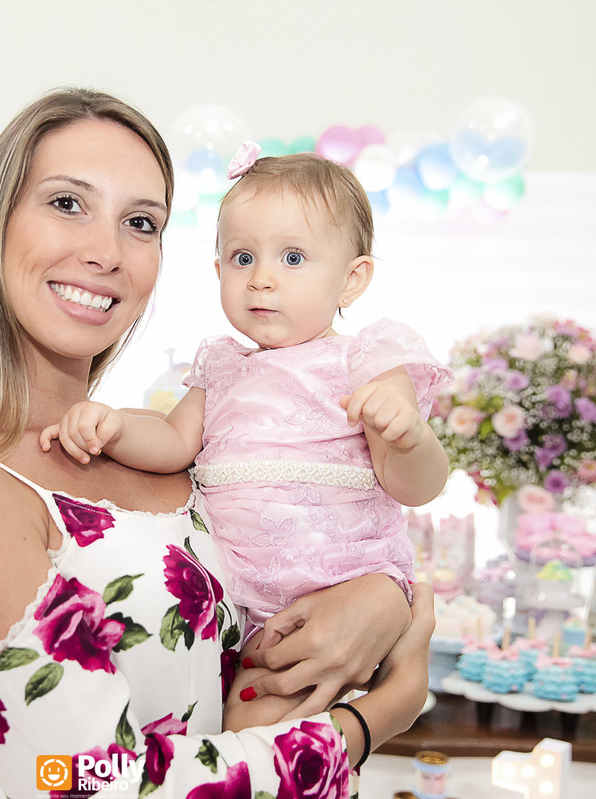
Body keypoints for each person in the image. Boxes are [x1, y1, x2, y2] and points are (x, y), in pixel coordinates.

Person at [0, 89, 432, 798]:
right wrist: (380, 714)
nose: (105, 252)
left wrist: (383, 596)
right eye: (67, 203)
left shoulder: (179, 444)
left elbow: (323, 527)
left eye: (140, 222)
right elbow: (75, 779)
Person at [41, 146, 453, 730]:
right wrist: (115, 426)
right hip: (243, 610)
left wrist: (409, 438)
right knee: (236, 732)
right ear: (218, 271)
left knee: (262, 726)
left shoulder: (366, 361)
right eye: (242, 257)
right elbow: (173, 442)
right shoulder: (222, 367)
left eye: (293, 257)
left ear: (352, 279)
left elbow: (416, 487)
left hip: (342, 582)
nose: (261, 278)